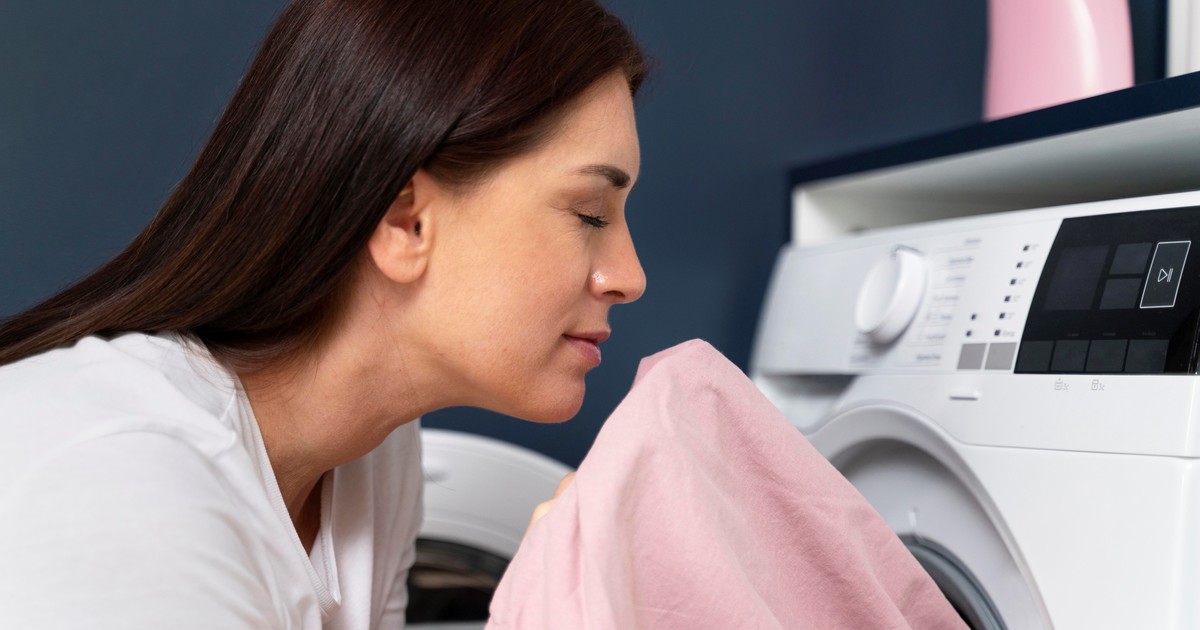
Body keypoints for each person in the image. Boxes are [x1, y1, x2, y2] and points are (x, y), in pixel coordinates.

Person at [0, 0, 646, 628]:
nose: (630, 278)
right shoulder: (121, 482)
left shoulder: (372, 456)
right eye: (589, 214)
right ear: (406, 223)